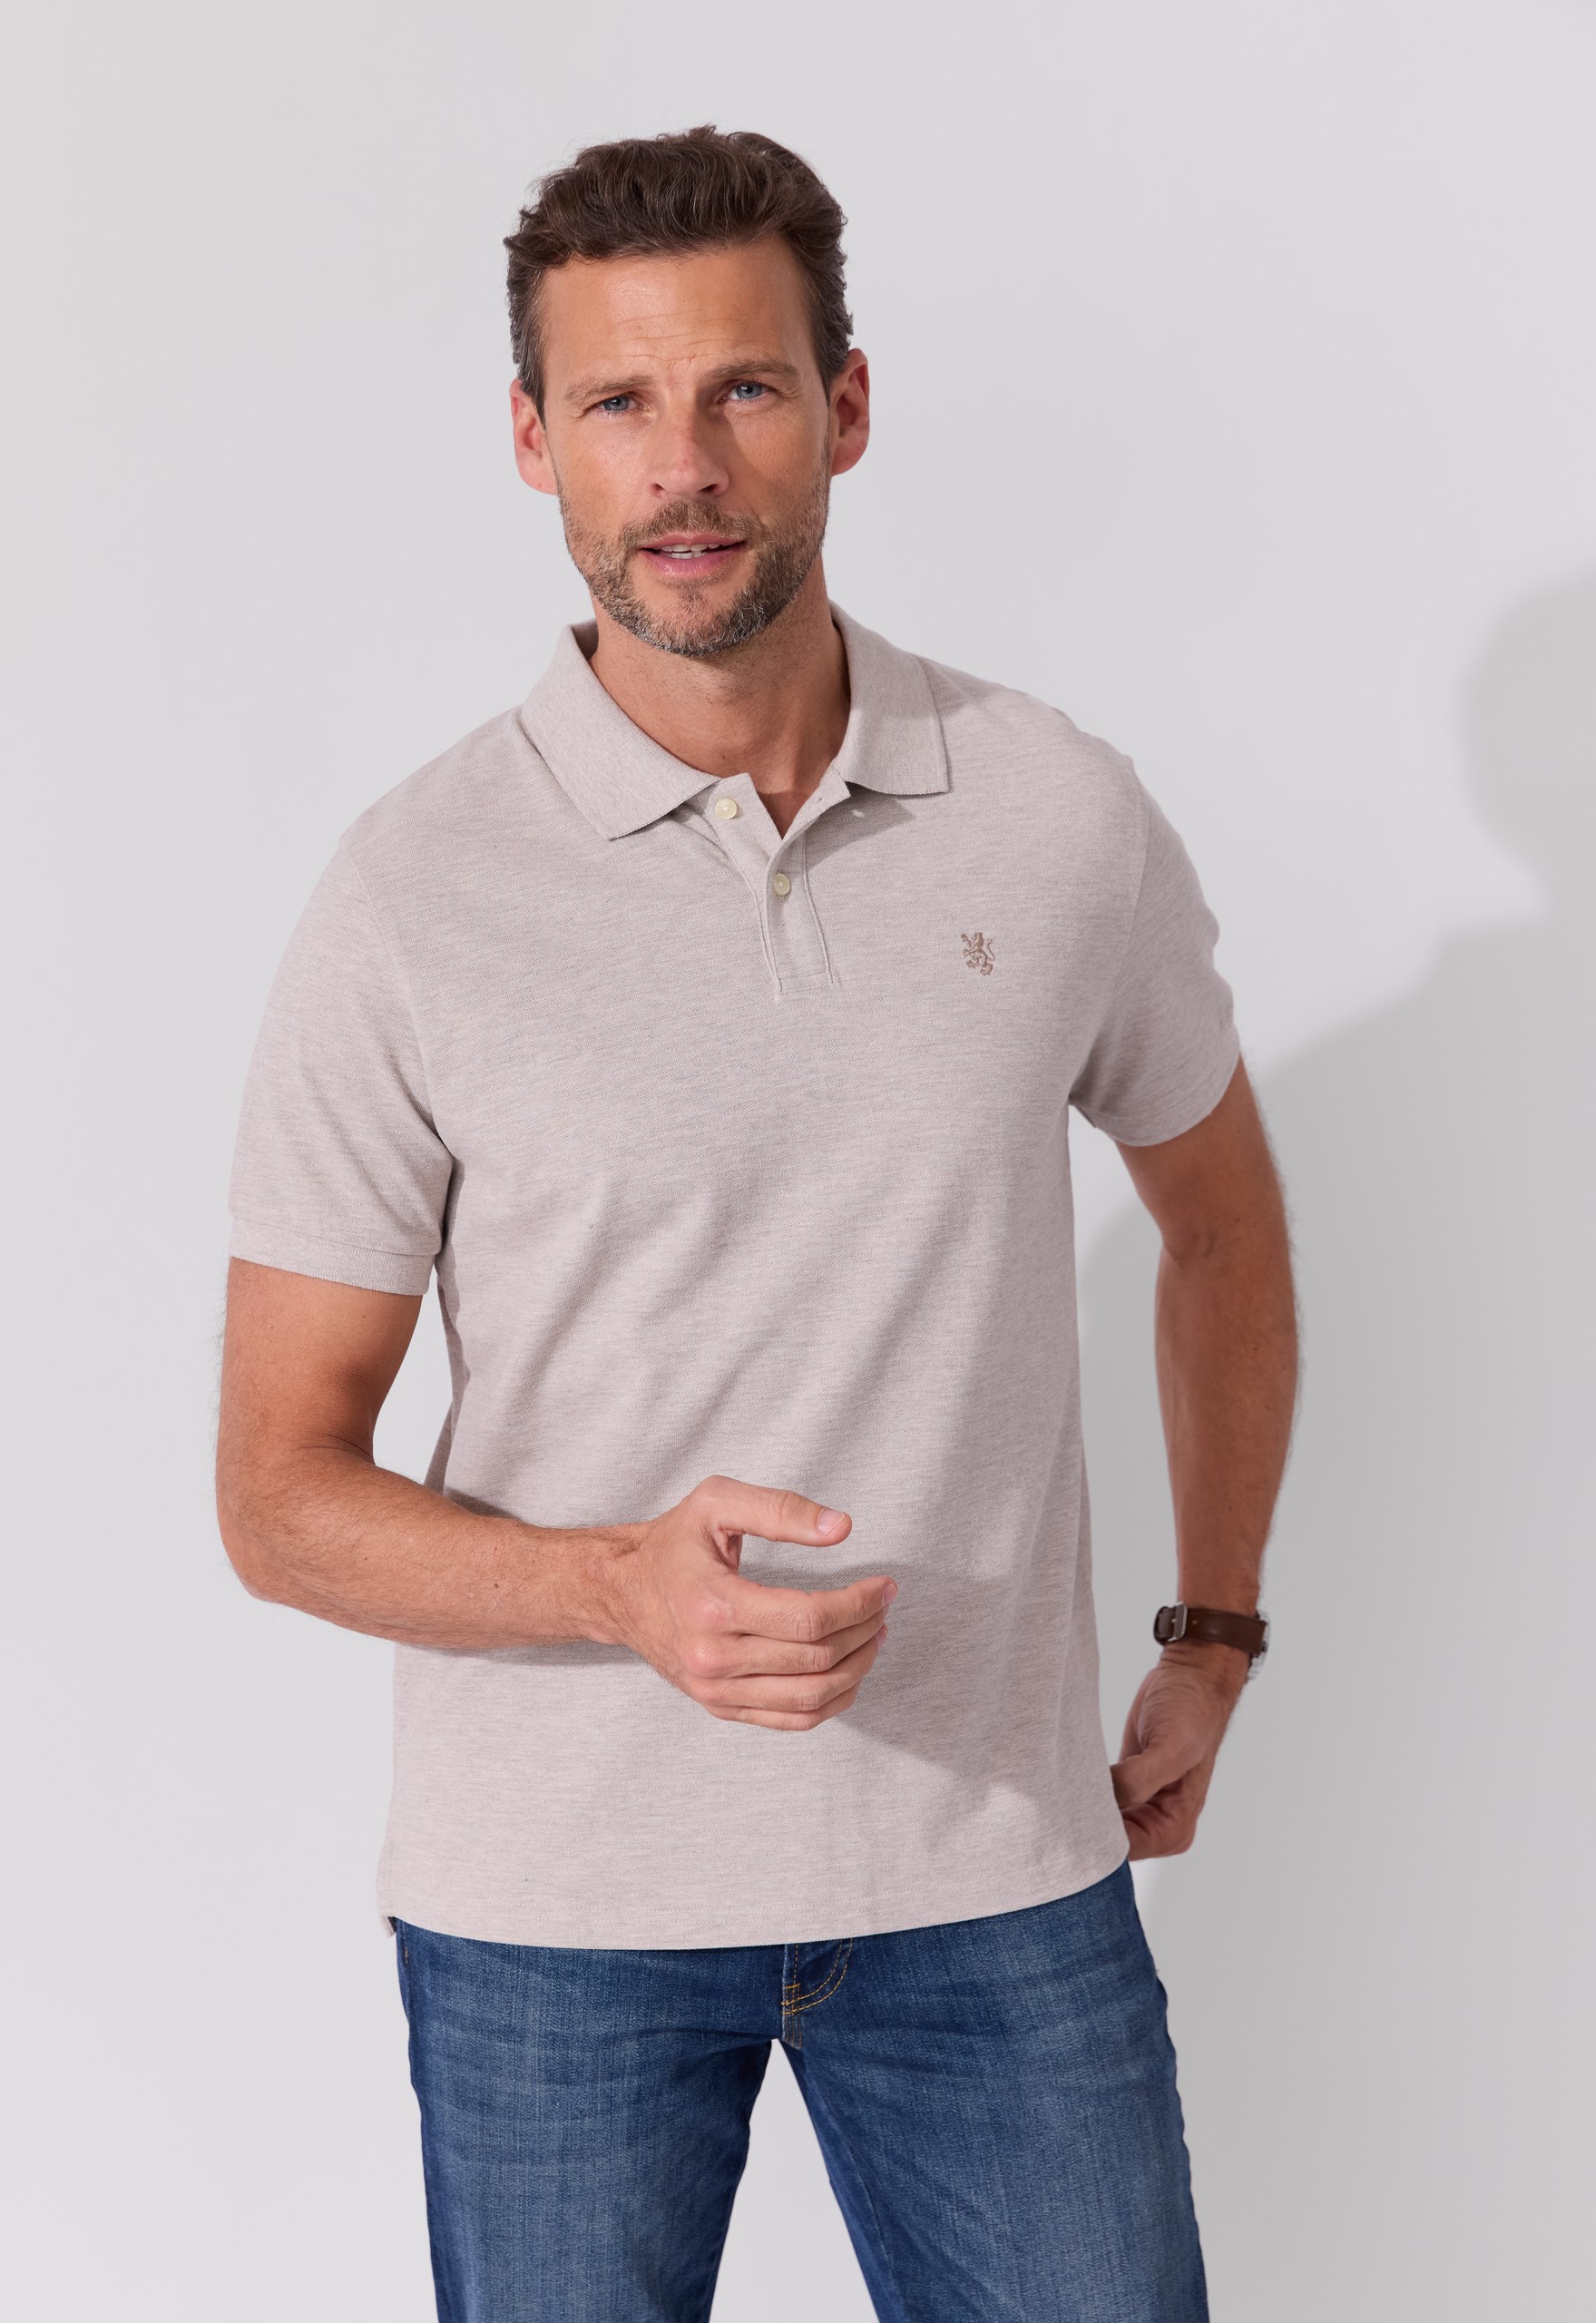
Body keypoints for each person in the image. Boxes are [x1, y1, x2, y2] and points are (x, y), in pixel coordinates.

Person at [216, 123, 1297, 2323]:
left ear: (847, 407)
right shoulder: (413, 893)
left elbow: (1223, 1230)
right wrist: (611, 1585)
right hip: (556, 1909)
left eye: (743, 388)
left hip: (995, 1868)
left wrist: (1213, 1628)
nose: (683, 465)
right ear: (534, 439)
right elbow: (276, 1487)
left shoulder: (1054, 810)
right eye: (617, 400)